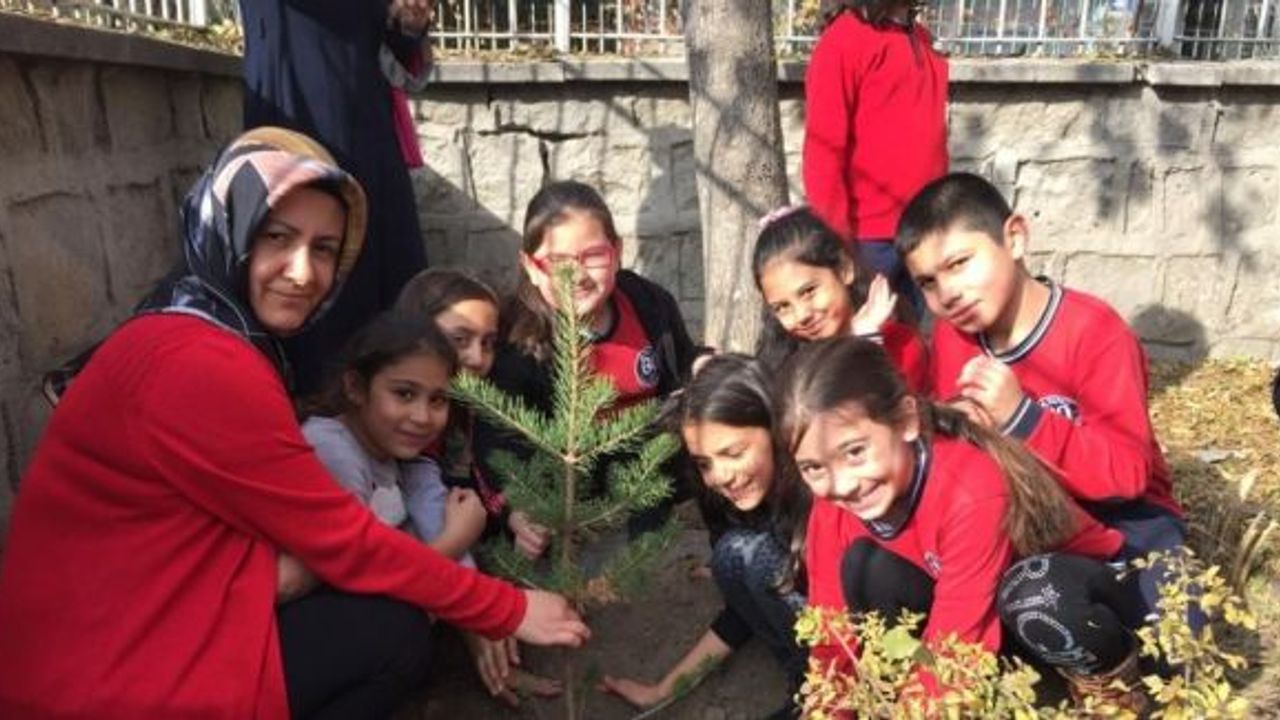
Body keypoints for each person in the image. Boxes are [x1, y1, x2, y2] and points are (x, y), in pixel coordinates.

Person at [0, 128, 587, 720]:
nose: (304, 273)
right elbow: (342, 543)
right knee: (390, 634)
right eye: (277, 237)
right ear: (229, 230)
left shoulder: (192, 327)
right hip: (108, 670)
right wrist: (504, 607)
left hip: (116, 622)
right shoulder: (203, 364)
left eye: (325, 248)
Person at [777, 337, 1153, 710]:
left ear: (906, 421)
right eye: (813, 467)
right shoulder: (832, 508)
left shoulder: (971, 490)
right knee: (867, 569)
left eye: (855, 452)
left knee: (1036, 595)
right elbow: (832, 636)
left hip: (1082, 607)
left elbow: (956, 644)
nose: (842, 484)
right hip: (984, 623)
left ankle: (1113, 697)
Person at [895, 172, 1187, 629]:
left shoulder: (1095, 332)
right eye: (928, 283)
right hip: (1030, 516)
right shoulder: (955, 339)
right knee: (1029, 597)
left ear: (1014, 238)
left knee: (1175, 644)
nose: (948, 293)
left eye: (960, 264)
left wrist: (1022, 418)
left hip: (1127, 522)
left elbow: (1128, 476)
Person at [482, 180, 700, 556]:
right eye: (557, 262)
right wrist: (516, 510)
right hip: (560, 493)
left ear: (617, 252)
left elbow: (680, 372)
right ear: (531, 267)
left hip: (644, 479)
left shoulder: (649, 305)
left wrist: (703, 365)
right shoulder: (517, 342)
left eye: (593, 255)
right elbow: (496, 440)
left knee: (648, 563)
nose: (577, 275)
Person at [239, 0, 435, 394]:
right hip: (296, 102)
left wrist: (407, 21)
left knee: (385, 271)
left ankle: (391, 407)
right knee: (304, 255)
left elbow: (389, 44)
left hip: (367, 121)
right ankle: (315, 406)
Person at [600, 355, 810, 717]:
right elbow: (738, 615)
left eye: (733, 453)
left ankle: (826, 688)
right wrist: (663, 690)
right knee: (732, 556)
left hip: (857, 646)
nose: (720, 476)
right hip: (814, 639)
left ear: (775, 428)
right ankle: (806, 677)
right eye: (704, 463)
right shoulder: (732, 500)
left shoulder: (821, 492)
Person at [392, 269, 560, 705]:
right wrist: (480, 614)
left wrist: (513, 511)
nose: (477, 357)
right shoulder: (404, 420)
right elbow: (428, 501)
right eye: (460, 338)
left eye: (487, 342)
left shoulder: (468, 400)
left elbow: (495, 462)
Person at [802, 0, 949, 320]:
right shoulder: (843, 41)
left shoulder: (921, 38)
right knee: (863, 354)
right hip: (868, 241)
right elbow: (823, 155)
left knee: (912, 351)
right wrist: (840, 248)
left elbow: (933, 142)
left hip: (923, 230)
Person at [753, 206, 929, 392]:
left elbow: (869, 413)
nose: (801, 315)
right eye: (782, 307)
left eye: (808, 291)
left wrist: (865, 342)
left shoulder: (899, 344)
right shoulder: (787, 369)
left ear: (844, 269)